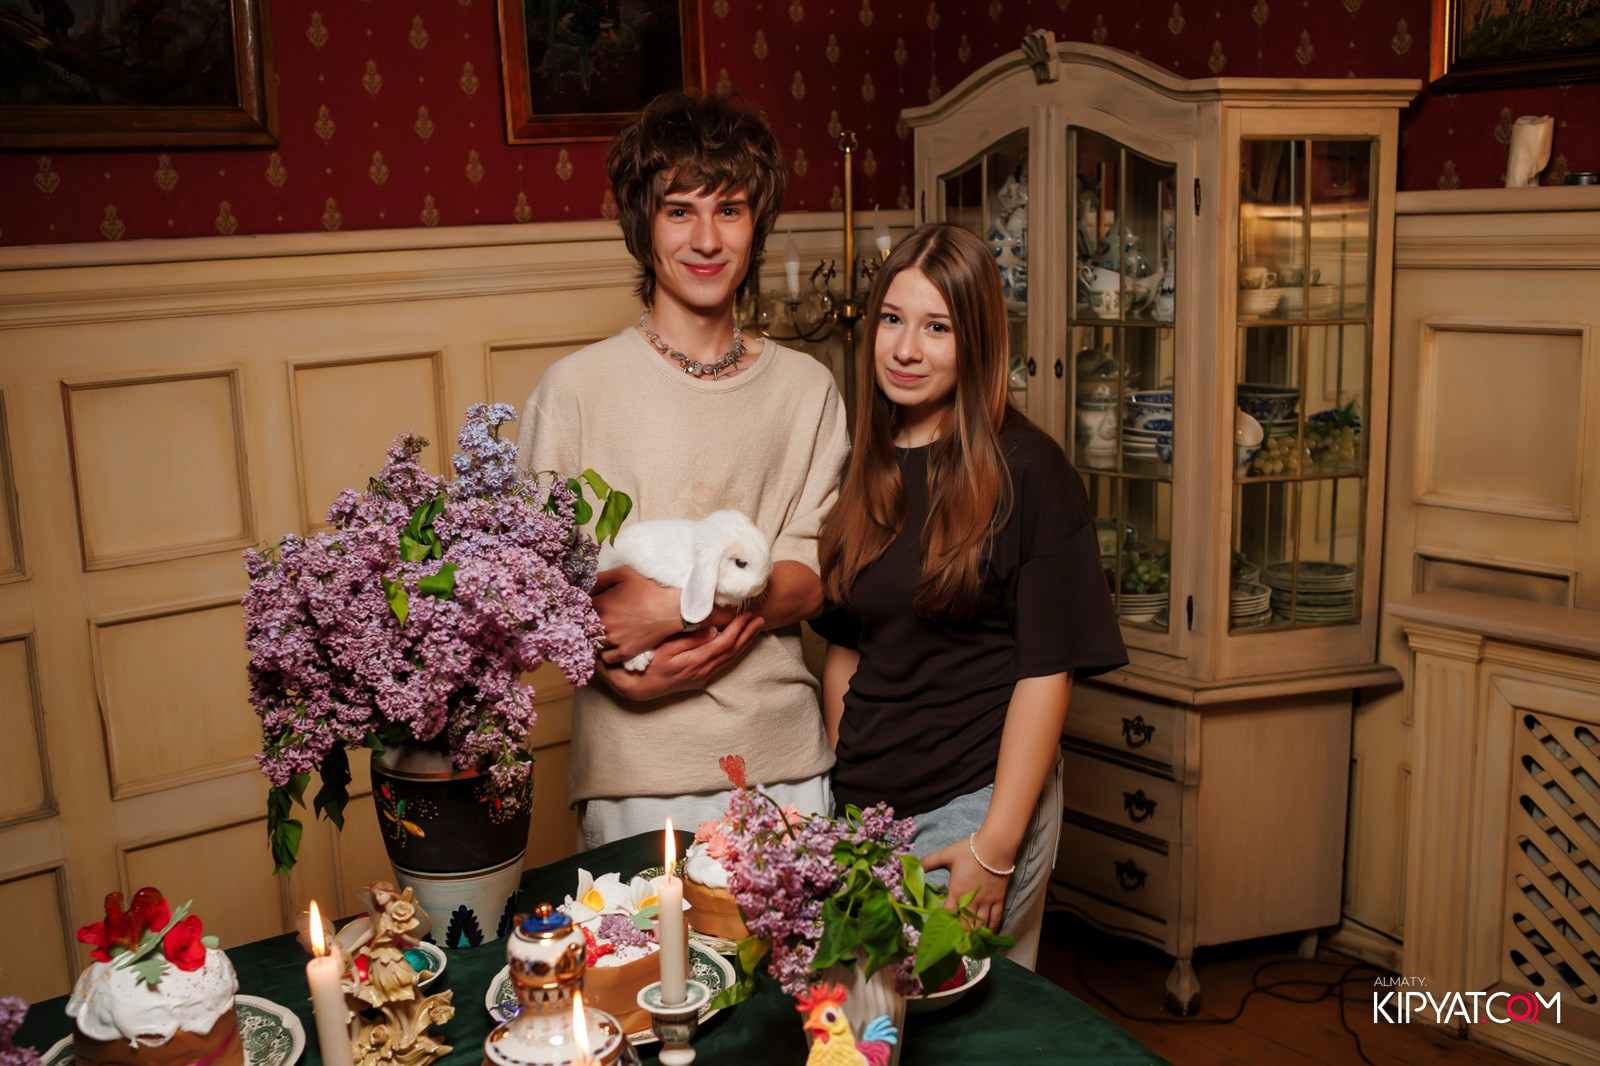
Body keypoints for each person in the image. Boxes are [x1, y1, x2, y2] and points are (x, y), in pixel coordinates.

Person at [517, 91, 848, 849]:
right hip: (634, 767)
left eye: (730, 210)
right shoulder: (574, 390)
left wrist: (677, 609)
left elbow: (813, 576)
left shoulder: (807, 390)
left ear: (757, 225)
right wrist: (613, 672)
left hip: (781, 760)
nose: (706, 238)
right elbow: (536, 590)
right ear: (643, 224)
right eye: (679, 210)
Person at [811, 223, 1126, 969]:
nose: (905, 349)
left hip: (971, 807)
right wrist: (851, 808)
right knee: (859, 1019)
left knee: (959, 1023)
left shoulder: (1031, 472)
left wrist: (995, 846)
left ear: (977, 340)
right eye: (892, 319)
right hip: (864, 817)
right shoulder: (866, 467)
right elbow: (847, 648)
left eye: (937, 327)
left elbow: (1048, 673)